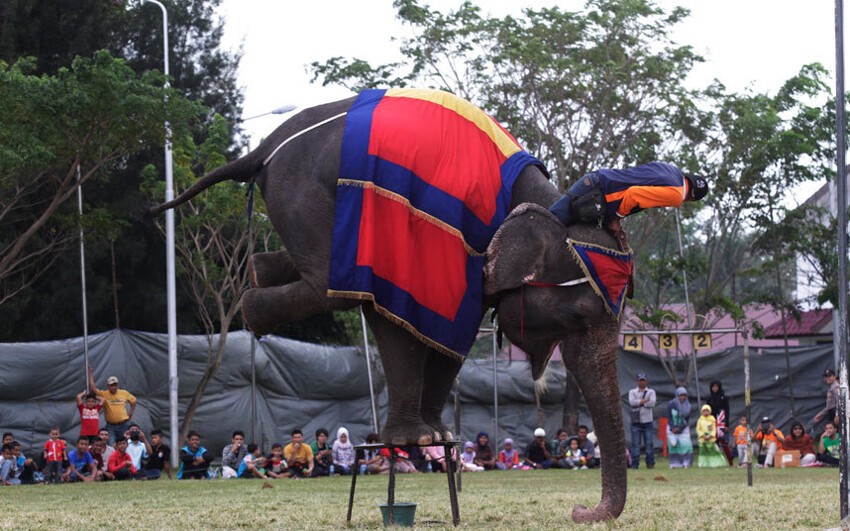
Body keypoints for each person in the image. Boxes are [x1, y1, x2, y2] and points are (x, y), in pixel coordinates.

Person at [548, 162, 709, 230]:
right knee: (549, 224)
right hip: (598, 194)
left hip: (597, 182)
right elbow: (633, 195)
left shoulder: (672, 170)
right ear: (691, 198)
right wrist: (617, 218)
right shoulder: (676, 195)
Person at [88, 369, 137, 444]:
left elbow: (134, 401)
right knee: (111, 444)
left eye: (115, 385)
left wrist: (131, 413)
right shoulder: (104, 394)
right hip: (111, 426)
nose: (114, 387)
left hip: (124, 424)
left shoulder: (124, 393)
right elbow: (92, 388)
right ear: (108, 386)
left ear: (117, 385)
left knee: (125, 445)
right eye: (111, 385)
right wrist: (90, 373)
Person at [628, 373, 656, 469]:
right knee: (635, 444)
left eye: (643, 380)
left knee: (649, 443)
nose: (642, 382)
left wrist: (640, 402)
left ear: (646, 381)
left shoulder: (651, 391)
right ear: (637, 381)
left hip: (648, 421)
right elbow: (632, 402)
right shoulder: (632, 392)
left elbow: (652, 403)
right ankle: (635, 464)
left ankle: (650, 463)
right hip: (636, 421)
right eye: (640, 380)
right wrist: (643, 401)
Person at [706, 380, 733, 465]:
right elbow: (707, 411)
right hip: (712, 423)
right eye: (713, 387)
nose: (715, 388)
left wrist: (727, 424)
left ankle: (730, 462)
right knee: (713, 442)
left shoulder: (724, 397)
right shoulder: (709, 398)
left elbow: (727, 411)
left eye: (716, 387)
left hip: (721, 423)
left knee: (724, 443)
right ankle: (715, 462)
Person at [666, 387, 693, 468]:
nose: (682, 398)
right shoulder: (671, 404)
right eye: (680, 395)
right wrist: (672, 428)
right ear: (677, 395)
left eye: (684, 395)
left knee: (686, 445)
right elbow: (669, 417)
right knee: (673, 446)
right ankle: (675, 463)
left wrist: (679, 428)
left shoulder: (688, 406)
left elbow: (686, 420)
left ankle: (686, 463)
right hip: (672, 427)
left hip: (683, 428)